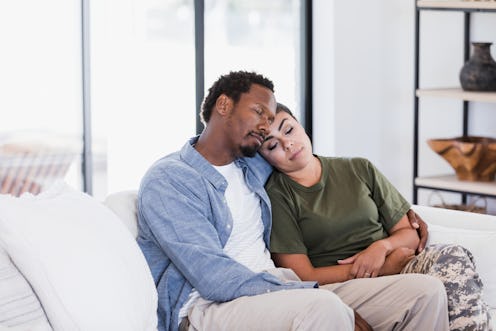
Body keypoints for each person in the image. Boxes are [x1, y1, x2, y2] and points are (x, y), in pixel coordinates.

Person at [137, 71, 449, 331]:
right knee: (324, 308)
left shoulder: (251, 165)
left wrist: (402, 211)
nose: (265, 126)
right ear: (223, 105)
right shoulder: (170, 180)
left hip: (277, 288)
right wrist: (300, 291)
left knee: (425, 292)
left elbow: (300, 155)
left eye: (271, 118)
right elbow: (213, 277)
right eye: (259, 112)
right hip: (209, 305)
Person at [259, 102, 492, 331]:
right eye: (272, 146)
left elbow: (409, 234)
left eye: (289, 129)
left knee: (453, 257)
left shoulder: (359, 168)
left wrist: (381, 247)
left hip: (398, 264)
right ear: (264, 158)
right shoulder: (277, 196)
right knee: (433, 288)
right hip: (343, 286)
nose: (288, 144)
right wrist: (380, 268)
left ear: (300, 125)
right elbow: (302, 275)